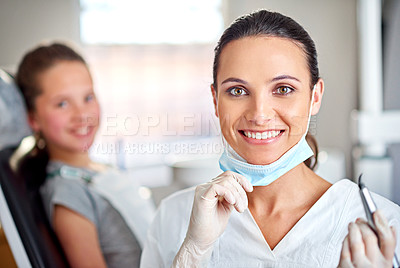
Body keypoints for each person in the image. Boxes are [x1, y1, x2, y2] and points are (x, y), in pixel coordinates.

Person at [140, 10, 400, 267]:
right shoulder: (173, 218)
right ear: (215, 100)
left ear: (315, 97)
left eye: (283, 89)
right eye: (238, 90)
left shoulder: (385, 227)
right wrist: (192, 253)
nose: (259, 115)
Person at [15, 43, 154, 268]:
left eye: (88, 98)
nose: (81, 114)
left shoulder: (97, 170)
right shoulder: (68, 193)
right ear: (33, 118)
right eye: (62, 103)